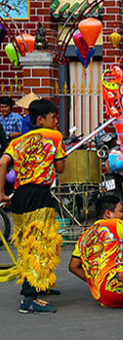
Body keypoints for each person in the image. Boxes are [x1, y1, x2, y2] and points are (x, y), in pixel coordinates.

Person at [0, 99, 66, 314]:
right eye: (52, 117)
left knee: (27, 245)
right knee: (39, 244)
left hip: (20, 196)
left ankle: (40, 285)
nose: (55, 121)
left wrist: (1, 193)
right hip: (39, 194)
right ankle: (29, 298)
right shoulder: (54, 137)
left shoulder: (18, 141)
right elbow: (60, 168)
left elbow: (2, 162)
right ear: (41, 119)